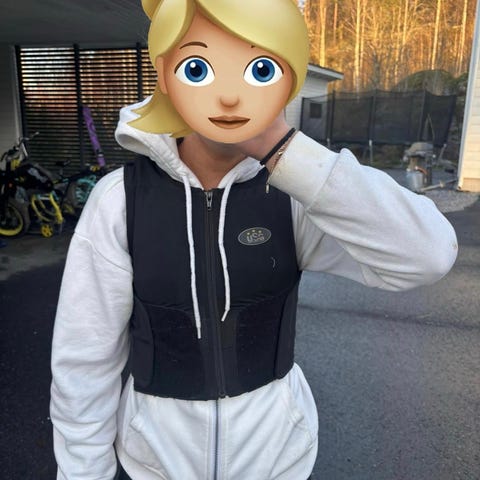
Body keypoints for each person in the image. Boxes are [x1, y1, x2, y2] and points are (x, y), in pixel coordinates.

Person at [50, 0, 458, 479]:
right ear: (164, 75)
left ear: (290, 80)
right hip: (155, 464)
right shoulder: (121, 200)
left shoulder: (296, 194)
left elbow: (427, 255)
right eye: (198, 68)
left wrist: (280, 147)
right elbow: (85, 360)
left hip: (277, 461)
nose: (228, 97)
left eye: (260, 70)